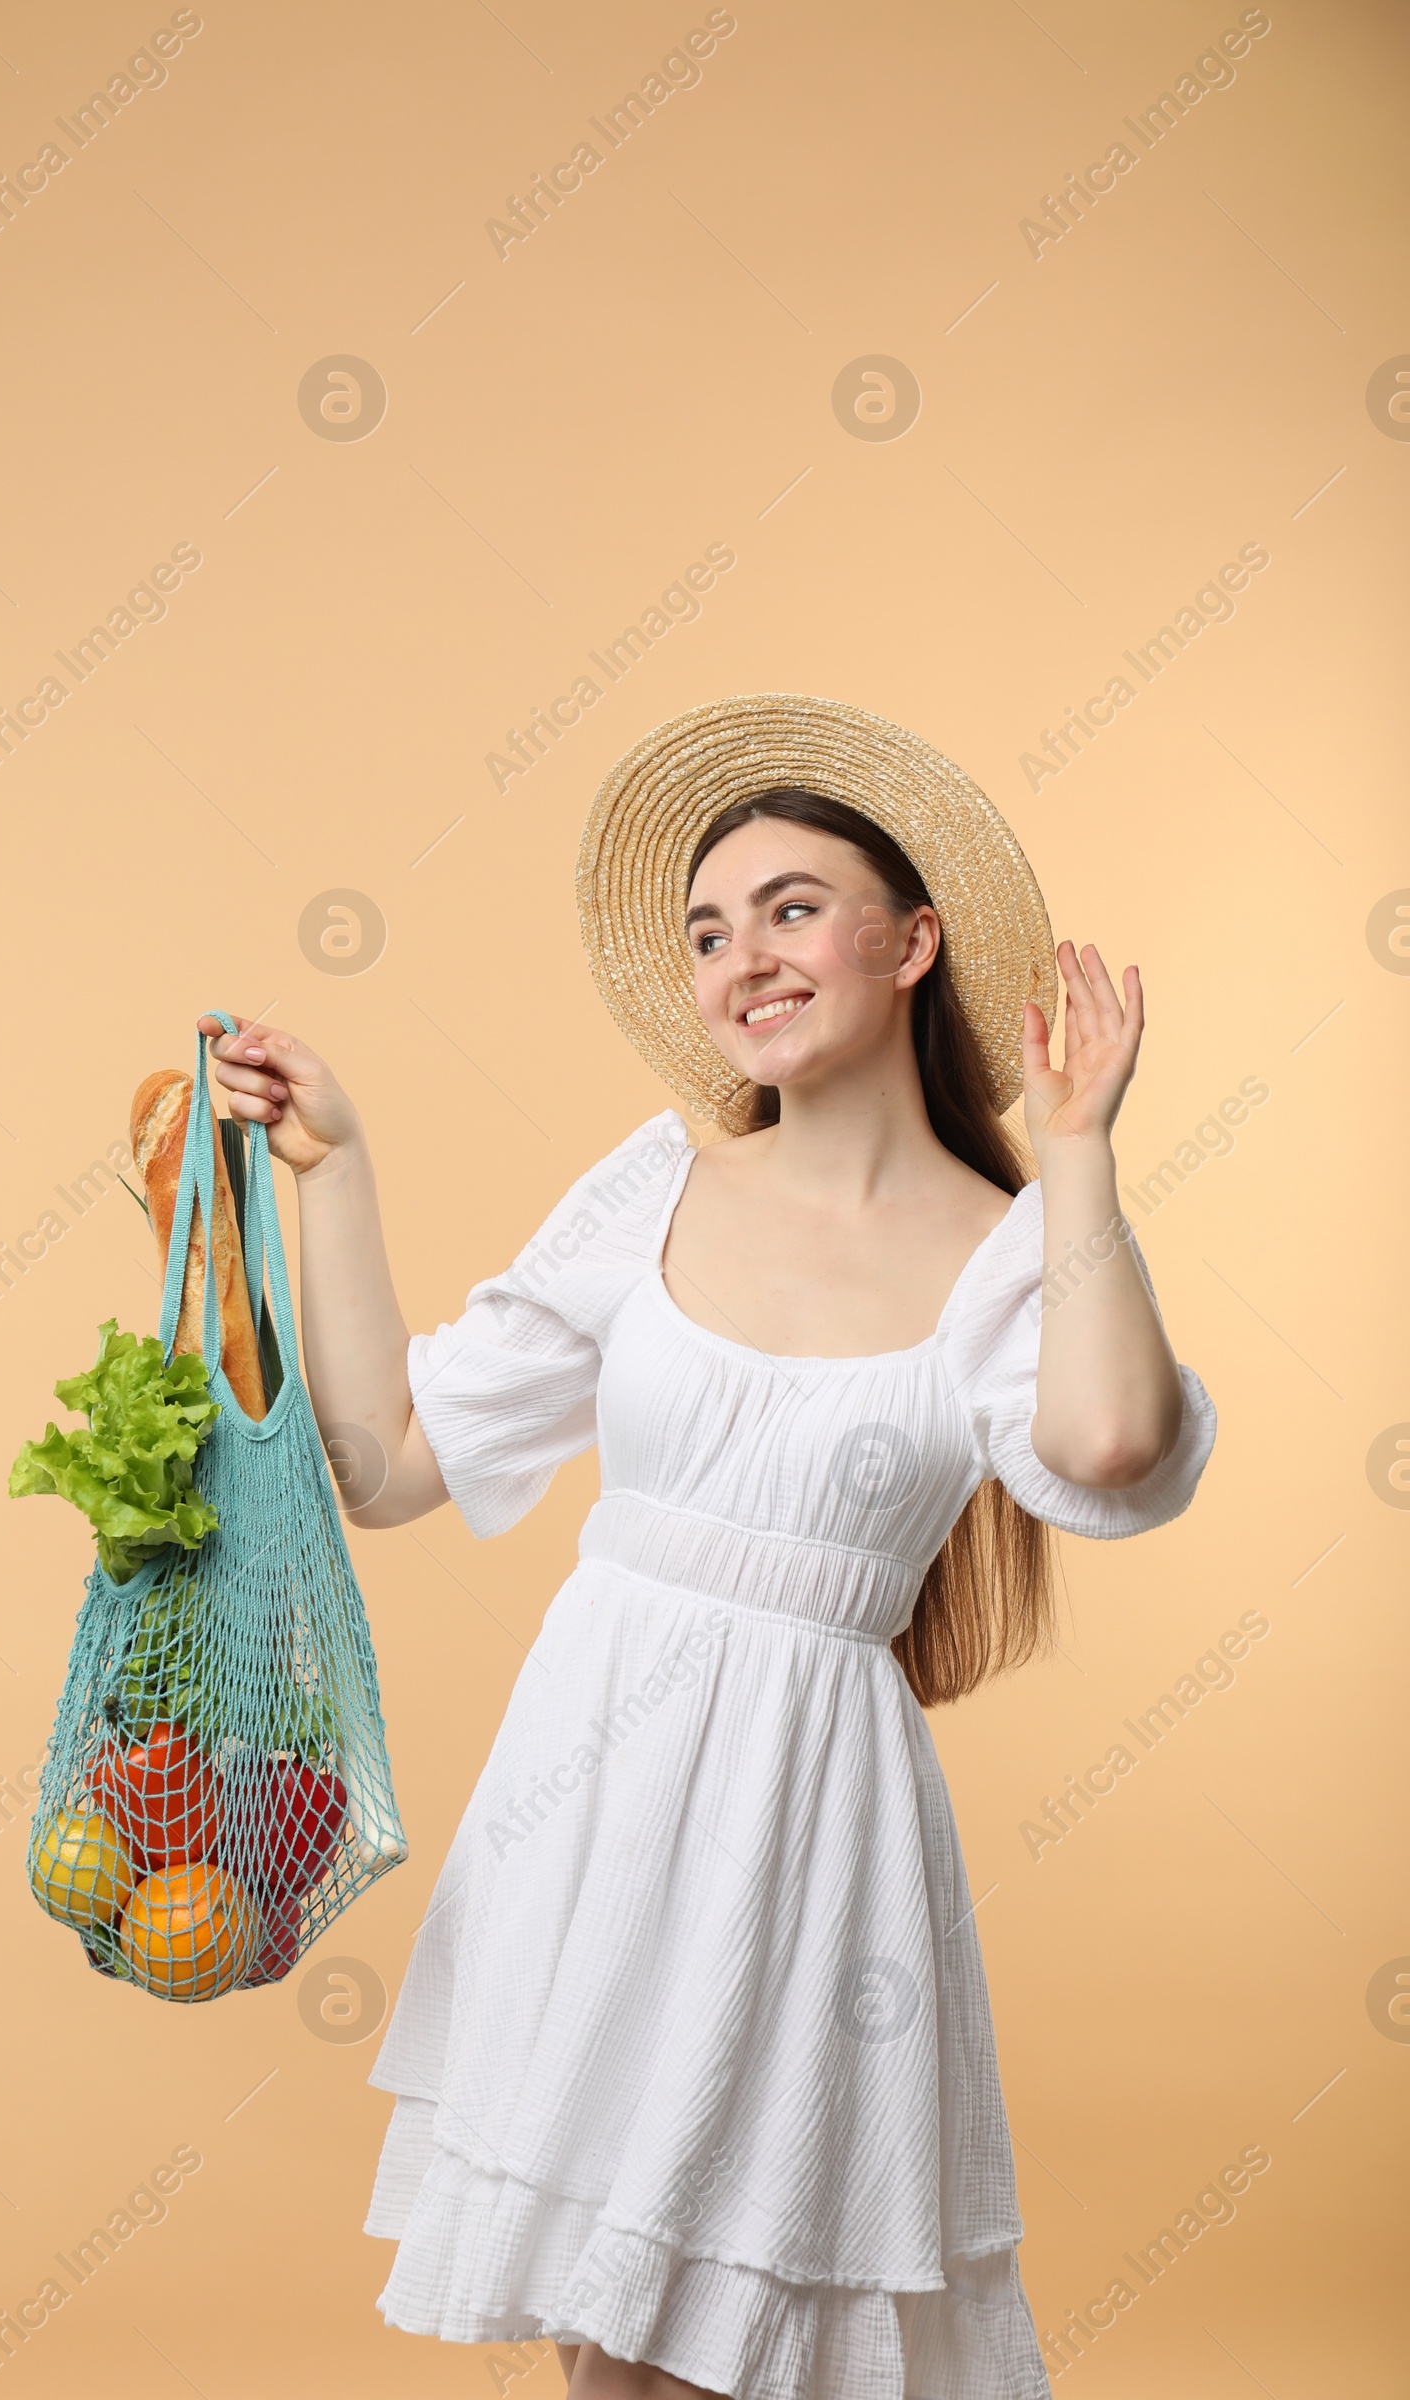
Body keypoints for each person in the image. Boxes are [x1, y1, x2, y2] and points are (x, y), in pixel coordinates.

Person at [200, 694, 1216, 2400]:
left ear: (915, 942)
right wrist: (337, 1172)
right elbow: (381, 1467)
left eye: (793, 907)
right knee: (628, 2338)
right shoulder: (651, 1195)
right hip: (593, 1809)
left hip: (806, 1840)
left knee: (713, 2336)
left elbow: (1115, 1447)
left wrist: (1082, 1152)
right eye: (706, 930)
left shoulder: (1009, 1253)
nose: (743, 954)